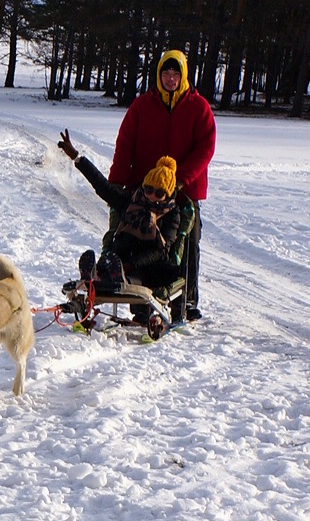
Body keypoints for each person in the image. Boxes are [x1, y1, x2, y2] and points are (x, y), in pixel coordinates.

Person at [107, 49, 215, 320]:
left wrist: (180, 181)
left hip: (183, 191)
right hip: (146, 191)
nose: (170, 78)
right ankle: (140, 297)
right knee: (141, 244)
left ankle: (186, 299)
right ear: (158, 75)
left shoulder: (198, 107)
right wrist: (118, 182)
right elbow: (125, 144)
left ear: (183, 75)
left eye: (175, 73)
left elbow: (206, 148)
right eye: (165, 73)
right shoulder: (142, 106)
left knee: (185, 243)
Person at [58, 129, 194, 299]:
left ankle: (122, 279)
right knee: (116, 256)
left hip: (152, 265)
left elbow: (162, 251)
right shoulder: (132, 201)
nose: (152, 196)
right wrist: (77, 158)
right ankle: (96, 277)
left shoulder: (172, 214)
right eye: (149, 190)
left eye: (159, 194)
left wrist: (131, 264)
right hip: (122, 258)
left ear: (167, 195)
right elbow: (103, 187)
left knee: (138, 272)